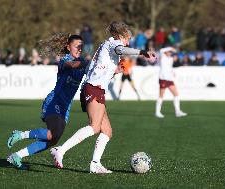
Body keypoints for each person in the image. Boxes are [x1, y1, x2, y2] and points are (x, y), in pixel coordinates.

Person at [50, 21, 155, 174]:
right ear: (120, 36)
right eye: (127, 39)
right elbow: (121, 49)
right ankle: (60, 150)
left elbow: (100, 68)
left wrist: (115, 70)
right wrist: (142, 52)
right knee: (94, 126)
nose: (127, 42)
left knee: (107, 131)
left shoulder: (108, 45)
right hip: (93, 88)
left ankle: (95, 163)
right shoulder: (114, 43)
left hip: (96, 89)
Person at [6, 34, 88, 169]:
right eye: (76, 46)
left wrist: (115, 70)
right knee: (52, 134)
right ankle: (20, 134)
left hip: (65, 107)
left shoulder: (83, 63)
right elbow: (72, 65)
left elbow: (96, 71)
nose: (79, 49)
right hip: (54, 101)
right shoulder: (65, 59)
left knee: (53, 140)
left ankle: (17, 156)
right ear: (68, 47)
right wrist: (86, 63)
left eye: (81, 47)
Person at [155, 47, 187, 118]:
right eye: (169, 52)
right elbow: (161, 50)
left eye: (170, 52)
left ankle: (177, 112)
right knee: (161, 95)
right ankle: (157, 112)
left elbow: (169, 67)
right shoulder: (163, 56)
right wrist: (171, 48)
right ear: (166, 52)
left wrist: (172, 72)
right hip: (163, 79)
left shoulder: (170, 59)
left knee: (176, 94)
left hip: (169, 79)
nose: (170, 53)